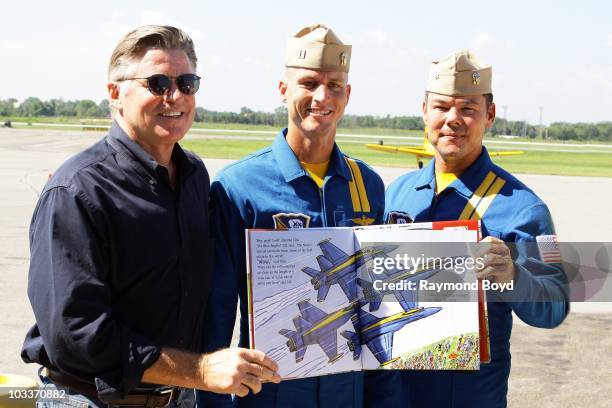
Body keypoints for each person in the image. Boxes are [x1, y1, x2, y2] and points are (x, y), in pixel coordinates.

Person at [21, 25, 279, 408]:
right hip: (92, 399)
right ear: (115, 93)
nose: (174, 96)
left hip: (177, 398)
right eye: (157, 83)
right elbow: (76, 335)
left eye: (187, 83)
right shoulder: (77, 190)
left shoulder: (193, 176)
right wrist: (201, 371)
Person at [198, 24, 399, 408]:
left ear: (348, 95)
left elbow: (376, 305)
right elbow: (216, 319)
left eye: (334, 85)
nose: (322, 96)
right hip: (267, 395)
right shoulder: (237, 186)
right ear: (283, 90)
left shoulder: (367, 184)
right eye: (308, 83)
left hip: (348, 394)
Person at [385, 49, 569, 407]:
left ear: (490, 115)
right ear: (424, 111)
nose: (453, 119)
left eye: (468, 109)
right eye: (441, 107)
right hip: (394, 392)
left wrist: (512, 274)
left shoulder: (524, 208)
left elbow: (554, 307)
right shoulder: (397, 193)